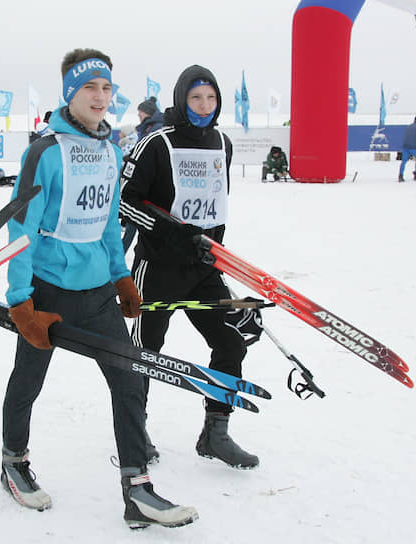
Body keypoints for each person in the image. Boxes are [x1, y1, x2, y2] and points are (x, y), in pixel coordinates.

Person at [0, 47, 198, 529]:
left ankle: (137, 489)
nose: (101, 96)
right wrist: (20, 301)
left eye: (107, 87)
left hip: (96, 295)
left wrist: (121, 275)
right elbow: (19, 231)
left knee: (129, 381)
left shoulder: (111, 153)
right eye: (90, 87)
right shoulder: (43, 153)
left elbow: (109, 224)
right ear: (70, 92)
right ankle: (13, 463)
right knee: (29, 380)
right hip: (46, 291)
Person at [119, 65, 259, 470]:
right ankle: (135, 429)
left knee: (230, 343)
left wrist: (215, 245)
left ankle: (216, 431)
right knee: (145, 353)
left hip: (202, 268)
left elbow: (216, 199)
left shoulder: (221, 142)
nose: (204, 105)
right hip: (158, 267)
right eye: (196, 97)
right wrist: (173, 233)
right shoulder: (155, 143)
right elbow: (125, 201)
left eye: (211, 98)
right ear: (182, 99)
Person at [398, 114, 416, 182]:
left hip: (405, 147)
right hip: (414, 147)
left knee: (404, 161)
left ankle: (400, 175)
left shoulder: (409, 126)